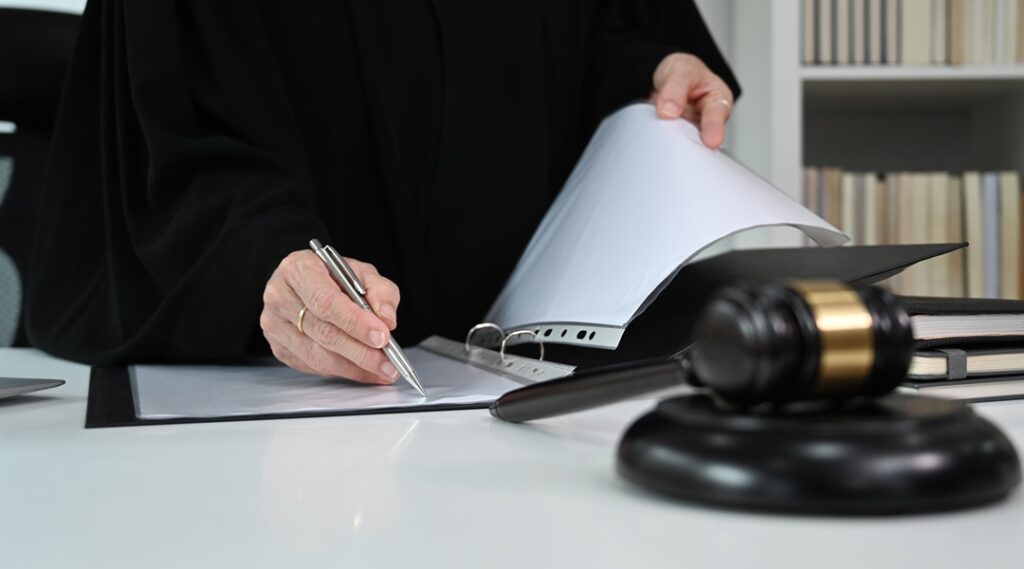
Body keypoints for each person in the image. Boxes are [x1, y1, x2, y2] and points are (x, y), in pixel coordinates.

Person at [26, 0, 740, 385]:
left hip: (527, 381)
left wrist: (654, 69)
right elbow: (172, 125)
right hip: (267, 394)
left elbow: (598, 34)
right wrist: (261, 261)